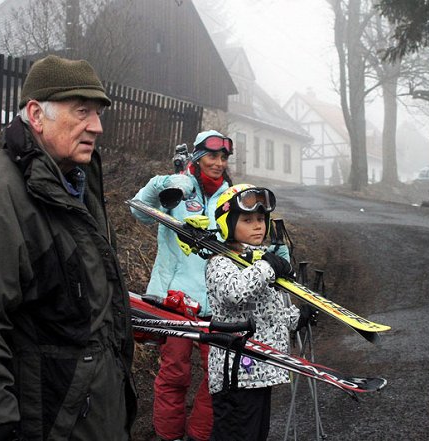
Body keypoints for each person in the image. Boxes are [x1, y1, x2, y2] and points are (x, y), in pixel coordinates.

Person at [0, 55, 137, 441]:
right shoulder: (1, 193)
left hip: (97, 419)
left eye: (97, 113)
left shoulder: (76, 182)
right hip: (50, 425)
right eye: (82, 111)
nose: (97, 126)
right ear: (36, 115)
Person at [130, 130, 234, 441]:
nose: (217, 163)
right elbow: (139, 211)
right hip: (174, 299)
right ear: (198, 157)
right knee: (174, 373)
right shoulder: (176, 187)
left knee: (217, 376)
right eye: (212, 156)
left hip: (215, 301)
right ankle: (170, 435)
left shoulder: (232, 196)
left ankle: (199, 434)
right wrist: (165, 183)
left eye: (223, 157)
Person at [205, 184, 314, 441]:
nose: (258, 226)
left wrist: (295, 319)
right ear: (227, 223)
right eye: (247, 219)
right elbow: (235, 293)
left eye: (261, 219)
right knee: (234, 435)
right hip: (236, 376)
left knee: (256, 434)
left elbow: (268, 308)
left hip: (261, 371)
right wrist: (266, 266)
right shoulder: (219, 263)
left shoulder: (256, 259)